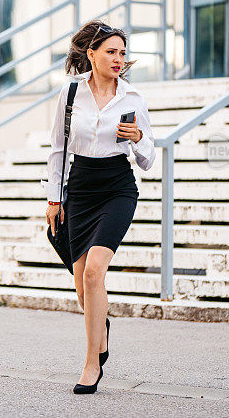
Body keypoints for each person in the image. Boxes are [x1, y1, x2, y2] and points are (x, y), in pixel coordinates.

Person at [42, 20, 156, 394]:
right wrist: (54, 199)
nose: (119, 59)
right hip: (80, 189)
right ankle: (100, 328)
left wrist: (138, 138)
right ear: (91, 54)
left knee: (94, 273)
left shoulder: (133, 98)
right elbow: (58, 148)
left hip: (117, 188)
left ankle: (92, 363)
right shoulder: (71, 93)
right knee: (82, 286)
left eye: (123, 52)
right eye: (111, 51)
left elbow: (147, 158)